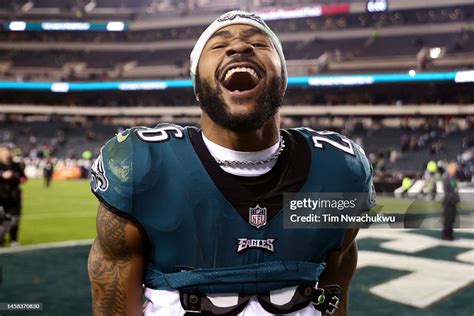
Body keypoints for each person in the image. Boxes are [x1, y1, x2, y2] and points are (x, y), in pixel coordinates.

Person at [88, 10, 375, 316]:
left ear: (283, 79)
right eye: (218, 44)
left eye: (260, 43)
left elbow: (333, 294)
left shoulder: (337, 170)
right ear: (197, 85)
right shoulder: (143, 167)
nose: (239, 46)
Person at [0, 146, 27, 247]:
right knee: (1, 219)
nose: (6, 154)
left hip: (14, 197)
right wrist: (2, 175)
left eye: (8, 152)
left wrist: (16, 177)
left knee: (15, 219)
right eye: (4, 152)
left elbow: (24, 178)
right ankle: (1, 238)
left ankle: (14, 239)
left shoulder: (16, 165)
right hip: (1, 196)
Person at [442, 162, 460, 240]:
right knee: (448, 219)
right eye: (454, 169)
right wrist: (452, 199)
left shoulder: (453, 178)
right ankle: (447, 235)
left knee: (452, 219)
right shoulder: (447, 178)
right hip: (449, 202)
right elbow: (448, 191)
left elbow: (455, 190)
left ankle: (450, 233)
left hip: (453, 202)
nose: (455, 170)